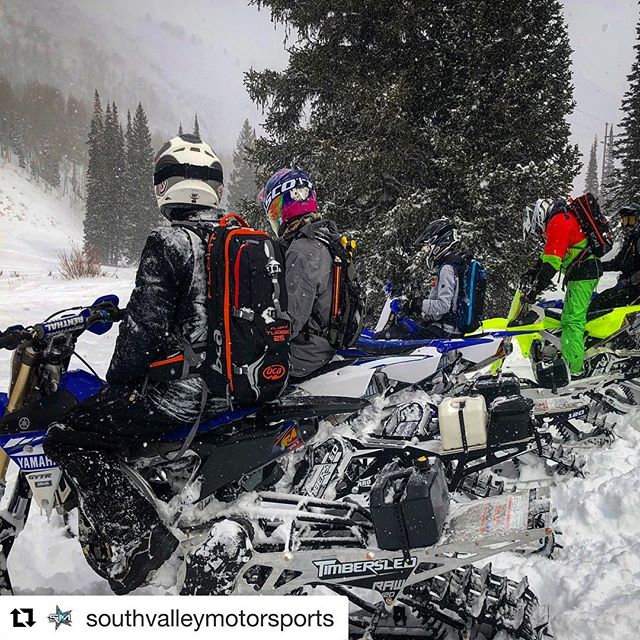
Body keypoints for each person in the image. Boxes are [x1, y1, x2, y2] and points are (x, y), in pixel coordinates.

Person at [43, 133, 227, 594]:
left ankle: (136, 543)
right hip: (232, 388)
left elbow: (141, 329)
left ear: (168, 184)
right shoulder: (232, 239)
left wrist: (117, 385)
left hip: (184, 397)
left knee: (68, 436)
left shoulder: (170, 243)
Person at [259, 168, 339, 380]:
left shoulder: (303, 250)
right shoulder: (324, 237)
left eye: (275, 210)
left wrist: (257, 328)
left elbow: (291, 321)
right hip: (325, 341)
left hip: (306, 354)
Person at [522, 197, 603, 377]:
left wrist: (535, 291)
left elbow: (551, 264)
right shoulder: (562, 219)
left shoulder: (558, 222)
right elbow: (547, 256)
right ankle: (576, 355)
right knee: (572, 316)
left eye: (537, 230)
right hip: (582, 273)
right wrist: (531, 273)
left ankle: (575, 371)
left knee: (572, 321)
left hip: (584, 274)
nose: (540, 234)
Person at [389, 218, 469, 339]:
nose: (428, 249)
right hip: (447, 327)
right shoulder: (455, 265)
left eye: (430, 244)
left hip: (445, 330)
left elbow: (444, 306)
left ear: (441, 242)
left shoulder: (447, 268)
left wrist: (418, 304)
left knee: (399, 342)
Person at [590, 203, 640, 310]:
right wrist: (597, 266)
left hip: (635, 289)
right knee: (598, 301)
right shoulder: (630, 240)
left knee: (601, 305)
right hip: (628, 287)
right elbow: (619, 263)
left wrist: (631, 280)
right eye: (624, 221)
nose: (627, 225)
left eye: (631, 220)